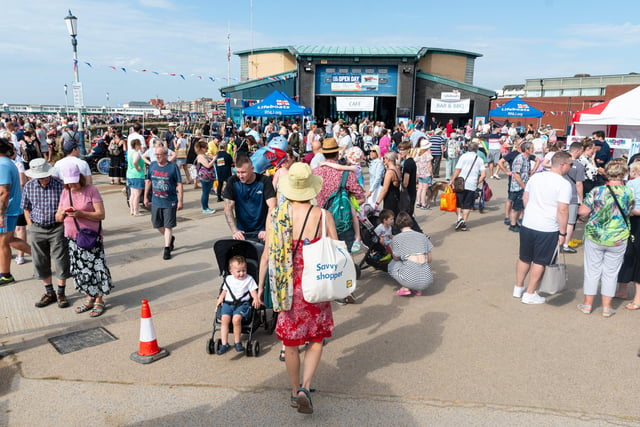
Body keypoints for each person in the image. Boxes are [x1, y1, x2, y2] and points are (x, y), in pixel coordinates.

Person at [257, 162, 335, 414]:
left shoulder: (276, 215)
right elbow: (335, 250)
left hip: (286, 287)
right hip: (316, 286)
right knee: (315, 338)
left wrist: (259, 288)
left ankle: (293, 391)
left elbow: (267, 254)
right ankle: (306, 386)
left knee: (291, 343)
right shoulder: (322, 215)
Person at [513, 151, 572, 305]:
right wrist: (563, 232)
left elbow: (526, 198)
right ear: (563, 164)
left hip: (528, 223)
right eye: (570, 164)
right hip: (547, 227)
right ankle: (530, 293)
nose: (571, 167)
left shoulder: (536, 177)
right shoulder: (564, 184)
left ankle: (518, 287)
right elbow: (563, 210)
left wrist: (532, 210)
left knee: (524, 257)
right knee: (540, 260)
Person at [577, 159, 634, 317]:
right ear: (623, 173)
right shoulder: (628, 192)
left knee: (592, 270)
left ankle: (588, 304)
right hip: (618, 237)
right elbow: (629, 210)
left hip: (595, 235)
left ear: (607, 173)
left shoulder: (597, 191)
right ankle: (607, 307)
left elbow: (583, 212)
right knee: (611, 272)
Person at [55, 163, 112, 317]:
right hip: (73, 238)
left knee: (96, 268)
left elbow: (101, 214)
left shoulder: (91, 190)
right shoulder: (65, 192)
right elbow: (58, 216)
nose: (72, 184)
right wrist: (63, 214)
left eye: (74, 180)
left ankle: (99, 299)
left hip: (90, 237)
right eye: (68, 181)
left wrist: (81, 214)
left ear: (80, 178)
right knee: (81, 270)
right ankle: (89, 297)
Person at [21, 159, 71, 308]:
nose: (43, 178)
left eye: (44, 175)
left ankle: (61, 293)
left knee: (61, 260)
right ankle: (50, 293)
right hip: (37, 228)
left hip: (57, 228)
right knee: (40, 261)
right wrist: (30, 226)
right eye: (39, 176)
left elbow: (68, 205)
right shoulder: (29, 186)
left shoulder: (60, 185)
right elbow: (26, 208)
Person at [144, 145, 184, 260]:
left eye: (159, 155)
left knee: (168, 225)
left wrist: (180, 201)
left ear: (166, 155)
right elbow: (148, 181)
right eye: (155, 155)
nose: (157, 157)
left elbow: (179, 184)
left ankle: (167, 248)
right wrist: (146, 197)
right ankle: (170, 238)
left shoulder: (173, 167)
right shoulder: (152, 165)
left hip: (170, 201)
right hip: (156, 200)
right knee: (156, 223)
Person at [0, 138, 31, 284]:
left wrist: (0, 214)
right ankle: (41, 258)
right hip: (10, 208)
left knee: (4, 242)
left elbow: (4, 192)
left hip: (7, 210)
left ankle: (6, 275)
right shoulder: (7, 163)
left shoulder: (3, 165)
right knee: (8, 240)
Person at [223, 155, 276, 241]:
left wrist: (267, 229)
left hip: (262, 232)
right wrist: (235, 231)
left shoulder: (264, 181)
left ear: (252, 169)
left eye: (243, 172)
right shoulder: (232, 181)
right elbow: (228, 207)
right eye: (238, 172)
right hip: (242, 232)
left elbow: (272, 206)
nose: (240, 176)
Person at [215, 255, 260, 355]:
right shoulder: (229, 279)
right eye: (238, 271)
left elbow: (252, 291)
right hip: (228, 303)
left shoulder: (249, 279)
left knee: (236, 319)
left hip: (242, 304)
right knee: (224, 320)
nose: (241, 273)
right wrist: (221, 297)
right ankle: (224, 343)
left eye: (244, 270)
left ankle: (237, 342)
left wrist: (256, 298)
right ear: (231, 271)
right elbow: (225, 290)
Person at [388, 211, 434, 296]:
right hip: (427, 279)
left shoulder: (397, 238)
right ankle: (418, 289)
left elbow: (396, 258)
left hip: (410, 278)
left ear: (397, 224)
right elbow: (430, 259)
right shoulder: (422, 236)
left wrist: (391, 247)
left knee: (392, 265)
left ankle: (406, 288)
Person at [449, 140, 486, 232]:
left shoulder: (463, 157)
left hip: (460, 183)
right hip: (472, 184)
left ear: (468, 148)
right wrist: (477, 182)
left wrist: (452, 180)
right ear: (476, 149)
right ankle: (464, 222)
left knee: (458, 203)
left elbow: (457, 170)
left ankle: (459, 218)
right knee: (467, 205)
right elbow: (483, 175)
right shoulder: (479, 159)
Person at [618, 161, 640, 306]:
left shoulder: (631, 184)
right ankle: (633, 296)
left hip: (632, 221)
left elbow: (625, 203)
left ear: (634, 172)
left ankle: (624, 291)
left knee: (627, 254)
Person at [562, 142, 586, 253]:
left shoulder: (561, 162)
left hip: (559, 196)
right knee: (570, 222)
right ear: (577, 151)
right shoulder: (579, 165)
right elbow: (579, 184)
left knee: (558, 219)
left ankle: (557, 242)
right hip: (572, 197)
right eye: (581, 150)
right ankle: (565, 245)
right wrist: (581, 199)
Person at [507, 141, 534, 232]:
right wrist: (524, 187)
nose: (533, 150)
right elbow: (517, 175)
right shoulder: (520, 159)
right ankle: (513, 224)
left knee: (520, 207)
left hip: (522, 186)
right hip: (519, 187)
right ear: (526, 150)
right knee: (516, 207)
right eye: (531, 148)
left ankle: (515, 223)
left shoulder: (526, 158)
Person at [375, 151, 402, 215]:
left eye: (384, 158)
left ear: (388, 159)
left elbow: (384, 189)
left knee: (389, 217)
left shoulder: (389, 172)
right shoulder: (397, 169)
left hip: (390, 198)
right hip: (397, 195)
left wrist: (377, 202)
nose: (383, 160)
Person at [194, 140, 217, 214]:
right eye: (206, 148)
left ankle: (206, 207)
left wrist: (212, 157)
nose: (207, 149)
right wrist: (214, 159)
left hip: (209, 177)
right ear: (201, 148)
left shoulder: (204, 155)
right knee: (205, 193)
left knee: (206, 192)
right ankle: (205, 208)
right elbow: (208, 165)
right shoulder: (200, 156)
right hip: (205, 177)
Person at [126, 138, 146, 217]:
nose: (141, 146)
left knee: (132, 194)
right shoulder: (136, 154)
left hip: (130, 174)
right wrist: (138, 168)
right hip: (137, 175)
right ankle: (136, 211)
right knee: (137, 194)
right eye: (140, 144)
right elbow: (135, 162)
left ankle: (132, 210)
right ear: (137, 145)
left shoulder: (131, 153)